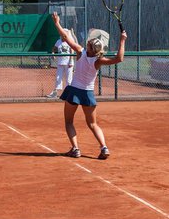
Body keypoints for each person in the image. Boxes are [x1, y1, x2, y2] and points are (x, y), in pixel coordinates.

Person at [51, 12, 125, 160]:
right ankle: (104, 147)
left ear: (90, 47)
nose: (88, 43)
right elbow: (119, 58)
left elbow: (65, 37)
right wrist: (122, 40)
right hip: (88, 94)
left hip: (74, 91)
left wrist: (57, 23)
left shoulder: (80, 52)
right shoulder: (98, 60)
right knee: (93, 124)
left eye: (90, 43)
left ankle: (76, 149)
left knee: (68, 122)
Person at [47, 32, 73, 99]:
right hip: (60, 62)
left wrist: (71, 61)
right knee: (58, 78)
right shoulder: (58, 41)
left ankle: (70, 93)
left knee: (69, 79)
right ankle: (55, 93)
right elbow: (54, 48)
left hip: (68, 63)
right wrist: (53, 53)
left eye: (63, 35)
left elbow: (72, 51)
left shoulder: (70, 41)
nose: (62, 36)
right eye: (61, 35)